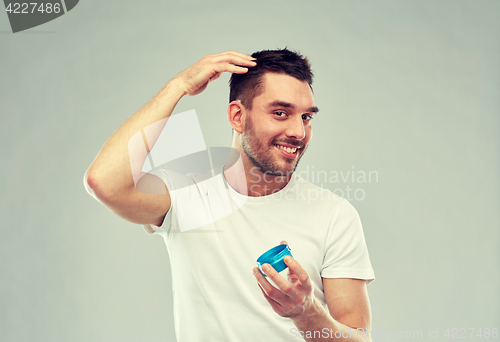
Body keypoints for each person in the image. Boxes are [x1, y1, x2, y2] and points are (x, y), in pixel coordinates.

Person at [84, 49, 375, 342]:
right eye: (280, 113)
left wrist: (305, 313)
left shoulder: (334, 215)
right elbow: (103, 182)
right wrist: (179, 86)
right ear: (237, 116)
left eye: (307, 117)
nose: (299, 131)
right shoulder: (186, 196)